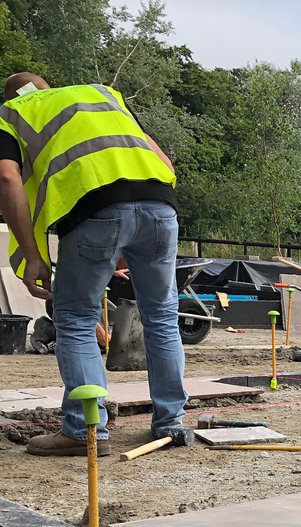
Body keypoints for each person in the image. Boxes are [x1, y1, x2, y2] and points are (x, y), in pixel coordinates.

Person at [0, 72, 186, 457]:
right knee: (162, 318)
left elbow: (6, 177)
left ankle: (84, 429)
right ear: (48, 88)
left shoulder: (11, 112)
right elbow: (163, 160)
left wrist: (33, 255)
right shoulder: (104, 95)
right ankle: (171, 423)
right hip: (160, 203)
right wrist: (132, 226)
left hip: (94, 212)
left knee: (75, 318)